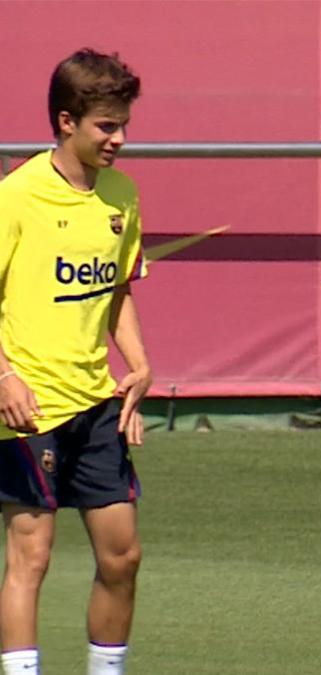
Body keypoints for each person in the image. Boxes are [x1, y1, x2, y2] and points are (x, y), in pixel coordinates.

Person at [0, 49, 152, 675]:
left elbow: (116, 291)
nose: (118, 139)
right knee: (30, 558)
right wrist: (4, 376)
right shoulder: (16, 196)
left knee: (123, 557)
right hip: (28, 407)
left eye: (122, 125)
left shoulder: (121, 194)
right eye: (105, 126)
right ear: (66, 121)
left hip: (96, 405)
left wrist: (139, 364)